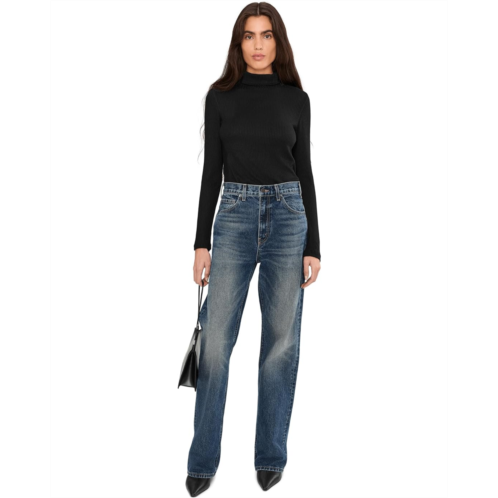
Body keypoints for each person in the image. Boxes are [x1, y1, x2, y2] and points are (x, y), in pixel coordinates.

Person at [187, 3, 321, 496]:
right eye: (249, 36)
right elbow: (211, 172)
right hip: (235, 216)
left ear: (277, 42)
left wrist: (313, 243)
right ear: (238, 43)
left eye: (266, 35)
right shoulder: (220, 97)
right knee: (216, 345)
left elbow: (304, 172)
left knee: (280, 345)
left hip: (288, 218)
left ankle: (270, 455)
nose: (258, 44)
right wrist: (201, 242)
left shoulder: (297, 100)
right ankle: (202, 460)